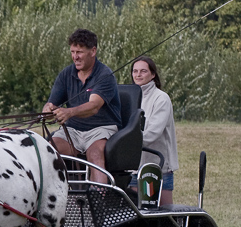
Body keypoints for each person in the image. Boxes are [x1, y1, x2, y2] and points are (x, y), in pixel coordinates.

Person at [42, 28, 122, 183]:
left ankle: (98, 198)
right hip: (73, 130)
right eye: (72, 52)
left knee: (95, 154)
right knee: (46, 150)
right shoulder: (66, 74)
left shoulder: (104, 74)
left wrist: (69, 112)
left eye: (79, 52)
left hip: (101, 128)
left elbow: (94, 106)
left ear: (93, 51)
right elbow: (52, 102)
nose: (75, 57)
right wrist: (48, 110)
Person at [130, 56, 178, 205]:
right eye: (135, 71)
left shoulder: (161, 98)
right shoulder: (129, 97)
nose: (138, 75)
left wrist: (125, 143)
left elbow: (153, 133)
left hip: (158, 168)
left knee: (164, 217)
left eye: (143, 71)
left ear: (153, 74)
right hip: (133, 169)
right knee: (136, 215)